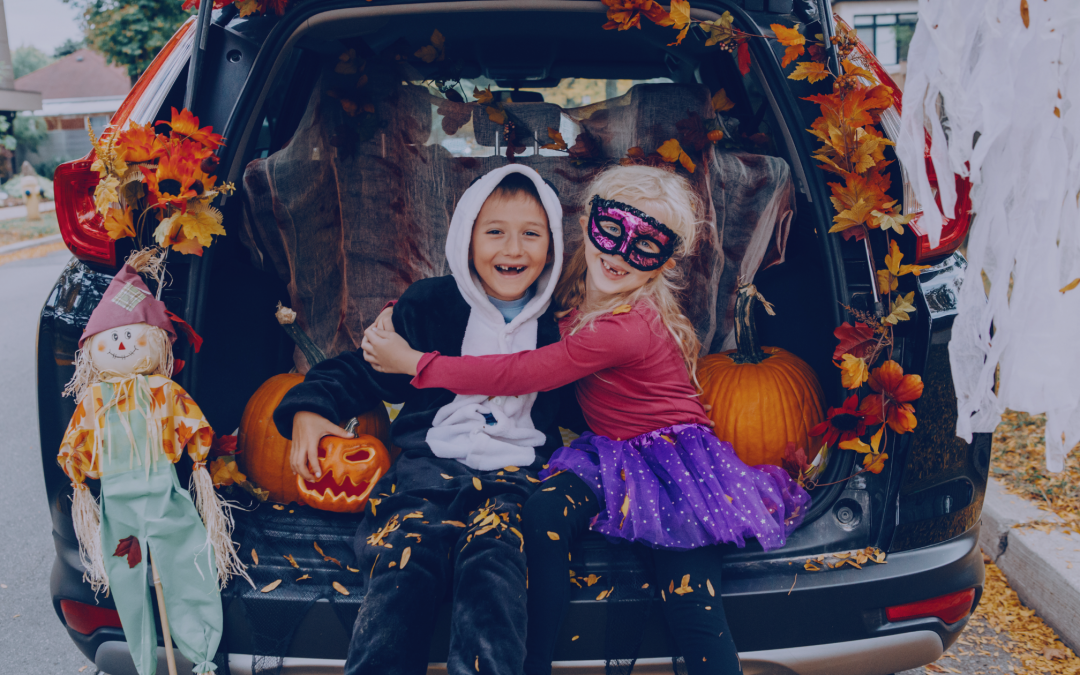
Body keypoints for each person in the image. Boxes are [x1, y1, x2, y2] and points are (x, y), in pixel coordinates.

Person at [361, 165, 812, 675]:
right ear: (588, 226)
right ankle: (534, 662)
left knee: (689, 598)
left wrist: (417, 363)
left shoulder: (625, 328)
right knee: (544, 514)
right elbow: (498, 309)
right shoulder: (578, 285)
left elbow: (522, 369)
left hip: (672, 466)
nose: (620, 254)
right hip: (609, 452)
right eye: (612, 231)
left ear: (664, 261)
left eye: (645, 246)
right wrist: (413, 308)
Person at [272, 165, 568, 675]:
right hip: (426, 472)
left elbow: (590, 400)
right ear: (466, 238)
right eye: (494, 232)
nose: (513, 249)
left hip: (515, 479)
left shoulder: (561, 322)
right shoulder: (432, 306)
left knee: (495, 567)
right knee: (406, 558)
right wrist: (309, 407)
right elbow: (363, 370)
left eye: (531, 234)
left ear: (553, 244)